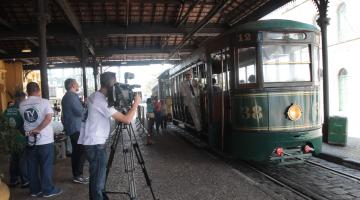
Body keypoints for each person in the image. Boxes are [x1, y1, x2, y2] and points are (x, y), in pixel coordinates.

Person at [78, 72, 141, 200]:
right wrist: (136, 104)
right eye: (115, 83)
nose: (116, 86)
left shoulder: (95, 96)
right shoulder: (101, 101)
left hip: (91, 143)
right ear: (111, 83)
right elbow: (127, 119)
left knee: (95, 178)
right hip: (96, 145)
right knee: (98, 182)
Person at [19, 82, 62, 197]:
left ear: (27, 91)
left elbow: (25, 120)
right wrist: (38, 129)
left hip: (30, 140)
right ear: (38, 90)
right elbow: (48, 118)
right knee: (45, 165)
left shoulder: (22, 104)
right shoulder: (44, 102)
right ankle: (47, 190)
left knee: (32, 166)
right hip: (45, 140)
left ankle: (34, 190)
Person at [61, 78, 88, 184]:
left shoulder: (67, 96)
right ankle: (78, 175)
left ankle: (77, 175)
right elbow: (80, 112)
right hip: (76, 128)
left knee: (76, 152)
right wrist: (87, 107)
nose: (78, 85)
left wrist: (83, 104)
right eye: (77, 83)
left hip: (72, 127)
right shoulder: (71, 96)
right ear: (72, 85)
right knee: (81, 151)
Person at [4, 91, 29, 188]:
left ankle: (13, 179)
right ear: (22, 98)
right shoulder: (22, 110)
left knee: (13, 159)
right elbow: (25, 126)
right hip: (21, 138)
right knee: (23, 160)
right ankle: (25, 180)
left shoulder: (7, 110)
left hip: (11, 139)